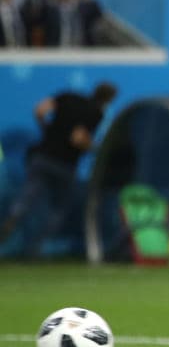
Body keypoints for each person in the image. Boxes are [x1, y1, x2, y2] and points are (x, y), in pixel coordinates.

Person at [0, 82, 117, 255]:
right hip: (64, 164)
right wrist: (94, 147)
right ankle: (35, 247)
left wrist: (47, 129)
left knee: (29, 195)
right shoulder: (96, 112)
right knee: (59, 208)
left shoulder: (68, 96)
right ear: (108, 99)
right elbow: (77, 138)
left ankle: (15, 216)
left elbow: (40, 110)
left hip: (42, 155)